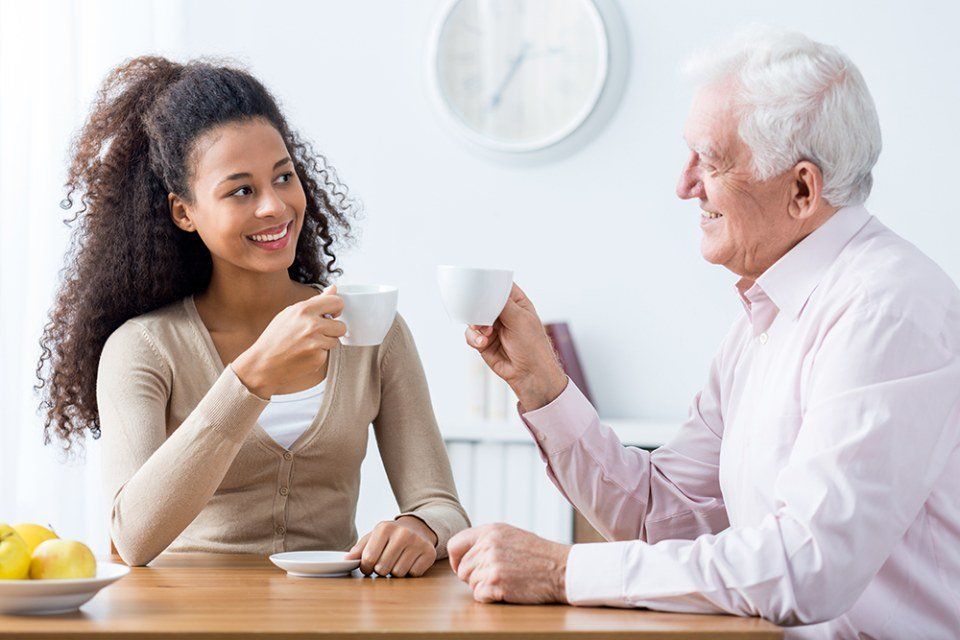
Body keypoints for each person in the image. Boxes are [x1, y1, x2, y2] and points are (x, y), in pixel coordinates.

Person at [447, 26, 960, 639]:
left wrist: (562, 571)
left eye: (710, 160)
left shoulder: (888, 307)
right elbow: (660, 516)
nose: (684, 185)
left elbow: (808, 566)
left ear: (802, 189)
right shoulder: (765, 319)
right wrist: (542, 384)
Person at [37, 56, 469, 575]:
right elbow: (131, 538)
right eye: (241, 190)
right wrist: (251, 378)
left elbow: (443, 506)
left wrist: (420, 527)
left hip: (327, 616)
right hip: (184, 621)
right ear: (184, 212)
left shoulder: (373, 330)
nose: (274, 206)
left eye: (283, 177)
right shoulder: (144, 347)